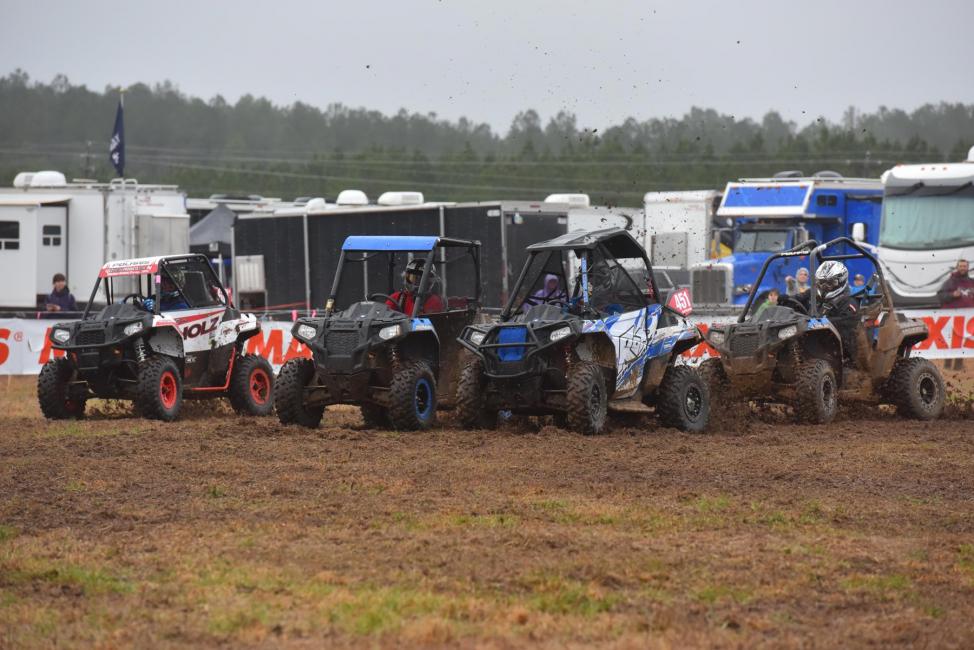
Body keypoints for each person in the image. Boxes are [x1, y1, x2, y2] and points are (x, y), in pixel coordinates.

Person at [800, 261, 859, 363]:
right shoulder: (815, 295)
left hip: (838, 352)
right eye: (821, 282)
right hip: (811, 342)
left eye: (830, 283)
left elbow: (845, 322)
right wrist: (784, 300)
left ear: (841, 282)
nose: (824, 287)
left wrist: (815, 323)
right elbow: (798, 299)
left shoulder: (849, 302)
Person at [937, 259, 973, 370]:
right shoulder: (950, 282)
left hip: (968, 319)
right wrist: (952, 294)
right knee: (951, 340)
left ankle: (958, 365)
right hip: (952, 317)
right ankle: (947, 365)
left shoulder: (972, 282)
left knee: (963, 340)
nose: (963, 268)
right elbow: (941, 296)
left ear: (968, 267)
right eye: (961, 266)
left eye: (964, 266)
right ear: (957, 267)